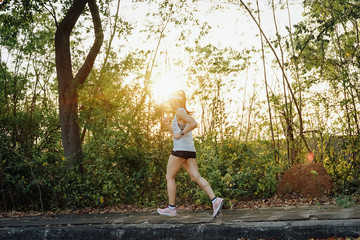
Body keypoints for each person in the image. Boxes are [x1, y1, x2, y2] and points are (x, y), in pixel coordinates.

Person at [157, 90, 224, 218]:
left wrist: (180, 133)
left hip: (180, 150)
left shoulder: (180, 112)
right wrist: (168, 126)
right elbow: (177, 134)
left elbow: (194, 123)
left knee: (169, 176)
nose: (169, 105)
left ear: (174, 101)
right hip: (189, 150)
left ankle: (171, 208)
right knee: (196, 177)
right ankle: (215, 200)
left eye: (170, 102)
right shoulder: (180, 113)